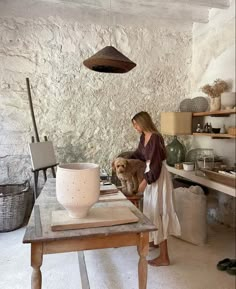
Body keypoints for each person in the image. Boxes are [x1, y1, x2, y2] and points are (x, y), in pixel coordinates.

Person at [130, 111, 181, 267]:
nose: (135, 127)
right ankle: (155, 241)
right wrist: (126, 158)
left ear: (142, 122)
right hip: (151, 174)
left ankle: (164, 257)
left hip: (158, 177)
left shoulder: (156, 138)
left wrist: (145, 181)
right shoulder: (143, 137)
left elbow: (156, 165)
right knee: (151, 210)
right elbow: (139, 154)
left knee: (159, 211)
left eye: (136, 124)